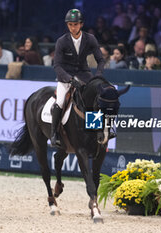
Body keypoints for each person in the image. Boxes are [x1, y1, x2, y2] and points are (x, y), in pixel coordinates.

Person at [52, 9, 105, 147]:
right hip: (65, 75)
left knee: (94, 100)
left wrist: (98, 75)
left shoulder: (90, 39)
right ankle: (54, 134)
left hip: (84, 74)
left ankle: (99, 132)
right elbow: (57, 65)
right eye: (70, 24)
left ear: (81, 24)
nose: (72, 27)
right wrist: (69, 79)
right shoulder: (61, 41)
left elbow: (100, 60)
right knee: (60, 101)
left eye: (75, 24)